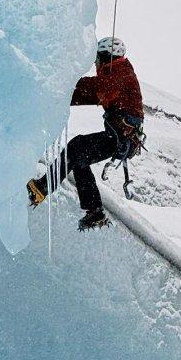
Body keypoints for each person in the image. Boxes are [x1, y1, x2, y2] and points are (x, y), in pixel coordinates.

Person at [28, 36, 144, 231]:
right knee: (80, 158)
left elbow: (93, 90)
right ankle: (94, 211)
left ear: (106, 55)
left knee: (77, 147)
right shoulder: (119, 73)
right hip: (122, 137)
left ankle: (41, 188)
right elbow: (95, 90)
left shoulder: (119, 73)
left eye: (98, 58)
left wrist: (61, 90)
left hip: (121, 137)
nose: (96, 63)